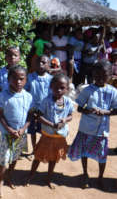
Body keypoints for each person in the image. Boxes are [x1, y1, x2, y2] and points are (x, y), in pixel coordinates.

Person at [68, 60, 117, 190]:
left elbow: (116, 109)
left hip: (102, 131)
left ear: (111, 76)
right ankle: (85, 174)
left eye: (104, 75)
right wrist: (88, 110)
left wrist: (105, 112)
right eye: (97, 75)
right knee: (84, 152)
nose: (100, 78)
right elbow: (79, 108)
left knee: (102, 155)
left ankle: (100, 177)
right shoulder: (87, 90)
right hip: (86, 128)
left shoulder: (113, 92)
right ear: (93, 75)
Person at [25, 73, 73, 189]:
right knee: (38, 156)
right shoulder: (46, 101)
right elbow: (39, 116)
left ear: (67, 89)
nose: (59, 90)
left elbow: (71, 115)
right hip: (47, 135)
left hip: (59, 137)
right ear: (51, 87)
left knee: (53, 158)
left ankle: (48, 178)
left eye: (62, 88)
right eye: (56, 87)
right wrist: (51, 124)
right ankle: (30, 176)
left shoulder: (68, 102)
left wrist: (65, 120)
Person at [0, 65, 33, 198]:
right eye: (14, 79)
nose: (18, 82)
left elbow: (30, 116)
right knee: (4, 159)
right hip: (6, 133)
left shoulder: (28, 96)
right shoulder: (3, 96)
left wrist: (23, 129)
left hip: (21, 134)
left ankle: (9, 177)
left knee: (15, 157)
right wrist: (9, 129)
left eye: (22, 79)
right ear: (9, 79)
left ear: (26, 80)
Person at [0, 47, 20, 158]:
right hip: (2, 104)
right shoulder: (1, 72)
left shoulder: (20, 72)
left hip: (16, 105)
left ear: (19, 58)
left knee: (15, 126)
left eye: (15, 55)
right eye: (10, 55)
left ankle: (15, 149)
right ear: (6, 57)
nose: (12, 57)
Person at [25, 55, 53, 153]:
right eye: (39, 62)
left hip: (45, 110)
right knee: (32, 130)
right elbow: (26, 92)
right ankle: (34, 149)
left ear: (48, 65)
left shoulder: (51, 79)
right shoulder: (30, 77)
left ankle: (42, 148)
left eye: (44, 62)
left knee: (44, 130)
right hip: (32, 109)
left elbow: (52, 95)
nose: (41, 64)